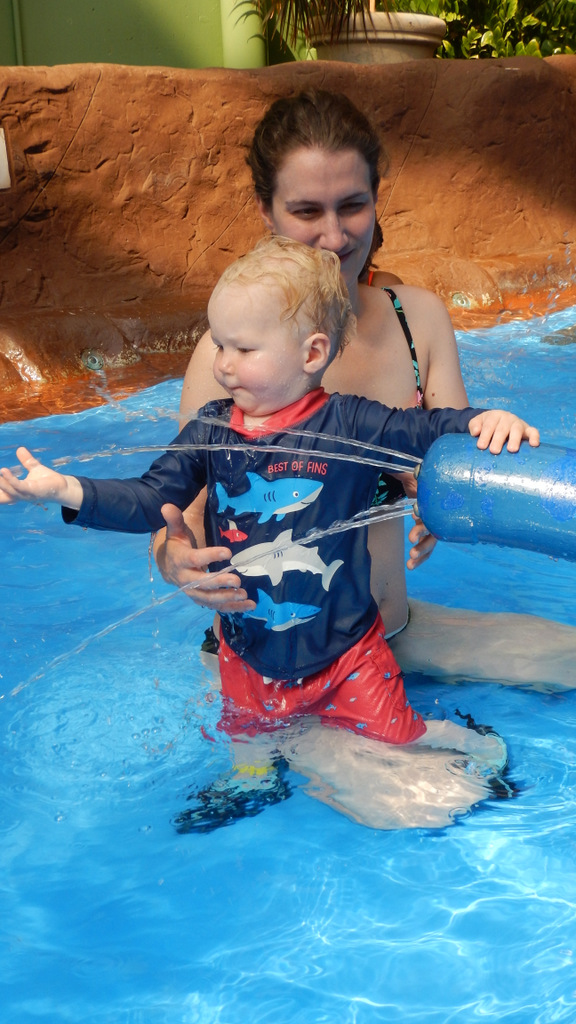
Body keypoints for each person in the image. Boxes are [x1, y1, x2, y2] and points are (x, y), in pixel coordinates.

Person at [0, 238, 539, 795]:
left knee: (395, 743)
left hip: (346, 657)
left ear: (311, 353)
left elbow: (428, 430)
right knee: (250, 749)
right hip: (246, 655)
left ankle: (459, 737)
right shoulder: (211, 432)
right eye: (220, 344)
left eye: (244, 349)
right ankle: (251, 782)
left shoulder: (352, 425)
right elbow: (149, 498)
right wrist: (66, 489)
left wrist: (487, 421)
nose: (223, 365)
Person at [152, 88, 576, 691]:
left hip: (389, 636)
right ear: (266, 212)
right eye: (307, 211)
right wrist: (174, 560)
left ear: (376, 198)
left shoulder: (416, 322)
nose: (334, 236)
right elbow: (177, 515)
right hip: (272, 674)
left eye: (352, 205)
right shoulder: (226, 359)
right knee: (447, 760)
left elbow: (455, 468)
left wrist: (464, 466)